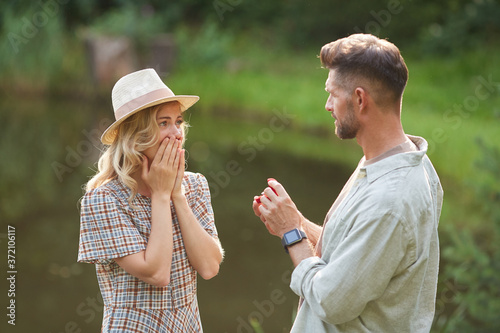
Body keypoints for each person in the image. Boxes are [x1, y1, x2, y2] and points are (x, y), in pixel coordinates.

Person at [252, 33, 443, 332]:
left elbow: (331, 301)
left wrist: (292, 234)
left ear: (359, 99)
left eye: (332, 94)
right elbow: (350, 255)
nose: (328, 105)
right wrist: (296, 221)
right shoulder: (395, 162)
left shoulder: (389, 202)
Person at [78, 68, 224, 332]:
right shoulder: (103, 200)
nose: (177, 133)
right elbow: (156, 273)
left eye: (178, 122)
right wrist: (159, 195)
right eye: (163, 123)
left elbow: (210, 266)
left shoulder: (194, 186)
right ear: (135, 135)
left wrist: (176, 194)